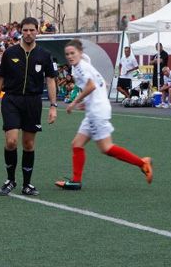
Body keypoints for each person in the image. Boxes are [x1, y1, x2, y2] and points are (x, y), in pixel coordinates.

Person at [55, 40, 153, 191]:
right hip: (94, 110)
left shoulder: (81, 67)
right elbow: (102, 84)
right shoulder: (83, 64)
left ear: (80, 53)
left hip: (97, 112)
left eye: (72, 53)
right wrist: (87, 101)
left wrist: (75, 102)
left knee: (106, 148)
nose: (69, 56)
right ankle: (76, 181)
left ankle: (142, 163)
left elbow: (91, 85)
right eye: (67, 54)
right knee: (77, 144)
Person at [0, 17, 58, 196]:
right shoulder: (10, 53)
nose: (28, 33)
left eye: (31, 30)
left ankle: (27, 184)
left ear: (37, 31)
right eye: (25, 30)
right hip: (11, 99)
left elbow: (50, 80)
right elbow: (0, 78)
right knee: (11, 141)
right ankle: (10, 180)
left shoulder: (44, 55)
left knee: (28, 144)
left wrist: (53, 106)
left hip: (33, 102)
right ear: (20, 31)